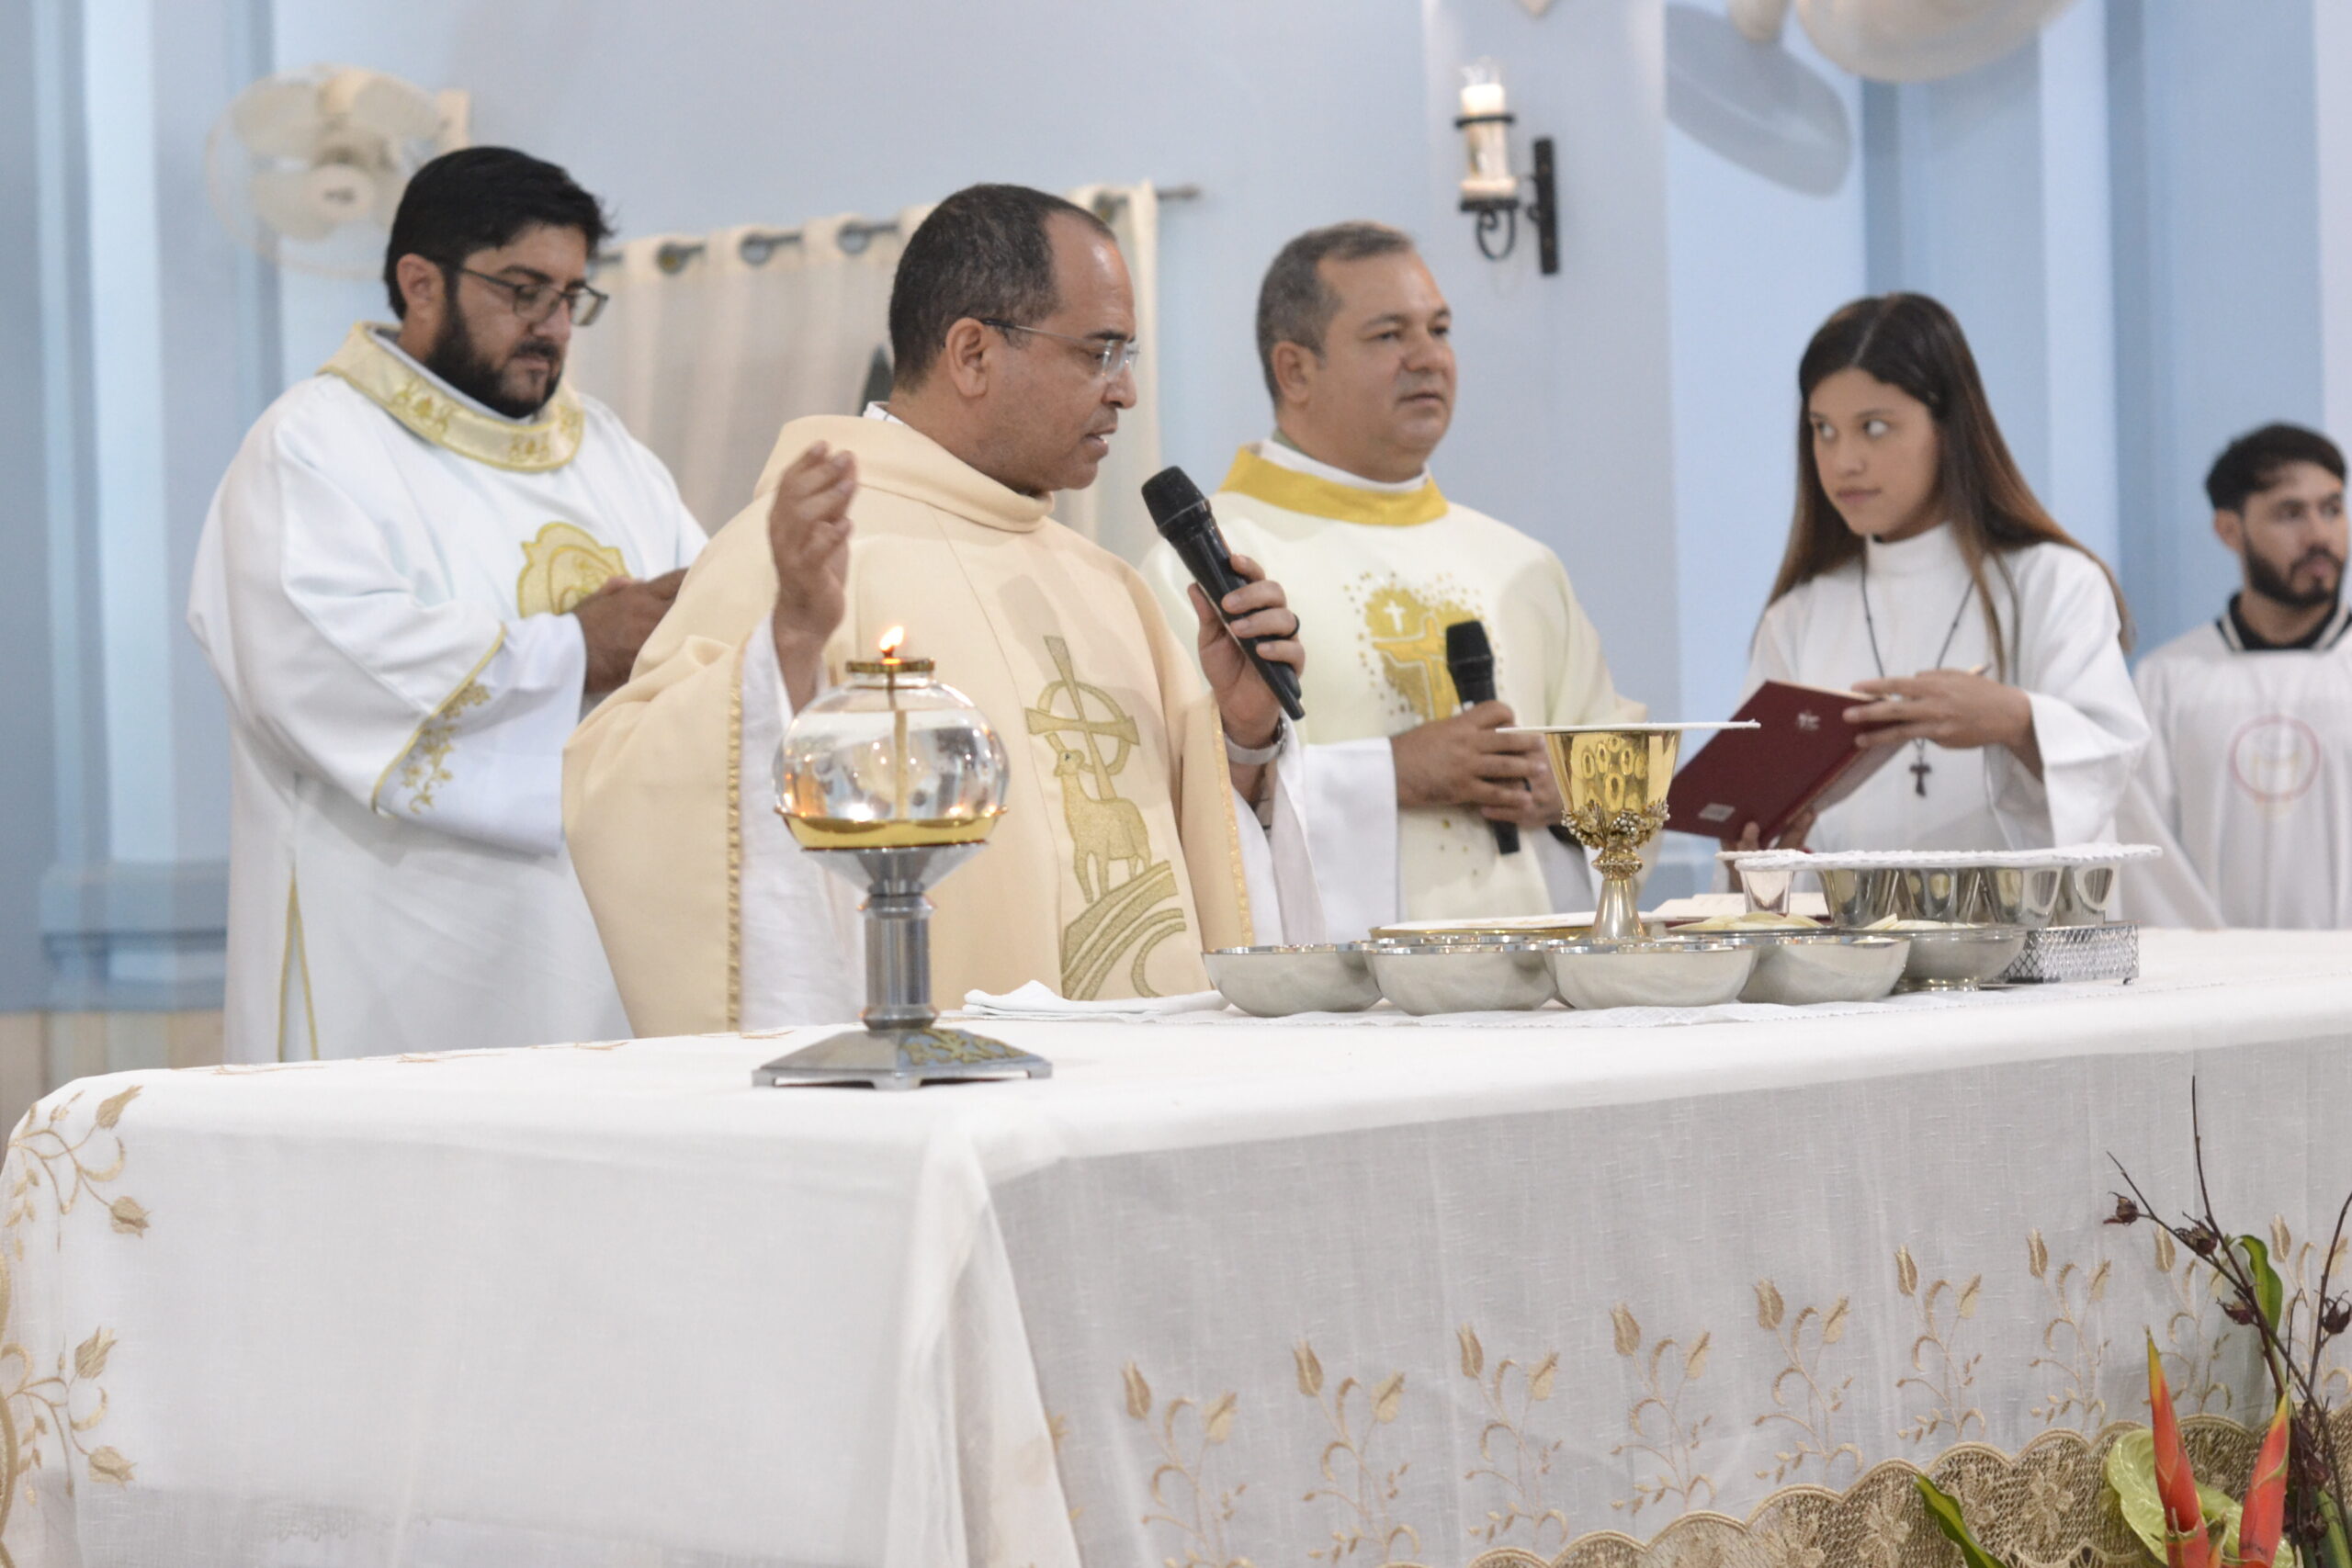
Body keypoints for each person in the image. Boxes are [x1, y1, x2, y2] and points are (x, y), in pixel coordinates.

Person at [564, 184, 1321, 1033]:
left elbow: (1202, 868)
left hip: (1140, 1095)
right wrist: (787, 647)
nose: (1126, 392)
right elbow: (624, 791)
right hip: (947, 1105)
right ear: (971, 353)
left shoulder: (1110, 586)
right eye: (1100, 352)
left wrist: (1243, 738)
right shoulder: (804, 555)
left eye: (1128, 356)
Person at [187, 148, 704, 1061]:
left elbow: (696, 633)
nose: (552, 325)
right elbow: (316, 667)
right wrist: (575, 650)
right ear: (419, 283)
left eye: (572, 297)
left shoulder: (612, 454)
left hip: (597, 946)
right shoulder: (311, 446)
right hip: (393, 946)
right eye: (522, 290)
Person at [1141, 222, 1638, 938]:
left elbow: (1623, 786)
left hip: (1540, 990)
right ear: (1295, 370)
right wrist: (1392, 773)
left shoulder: (1521, 565)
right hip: (1339, 1015)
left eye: (1439, 329)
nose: (1429, 358)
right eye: (1388, 336)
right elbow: (1179, 809)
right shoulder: (1212, 566)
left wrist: (1569, 793)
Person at [1739, 293, 2146, 852]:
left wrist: (2016, 720)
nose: (1843, 461)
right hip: (1852, 937)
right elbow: (1759, 821)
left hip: (2018, 937)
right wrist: (1763, 854)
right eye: (1822, 429)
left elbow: (2112, 763)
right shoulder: (1797, 617)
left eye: (1874, 428)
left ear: (1949, 427)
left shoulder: (2053, 582)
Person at [2119, 423, 2352, 927]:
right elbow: (2147, 862)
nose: (2319, 535)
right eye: (2290, 513)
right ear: (2230, 530)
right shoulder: (2169, 681)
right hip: (2224, 990)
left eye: (2332, 508)